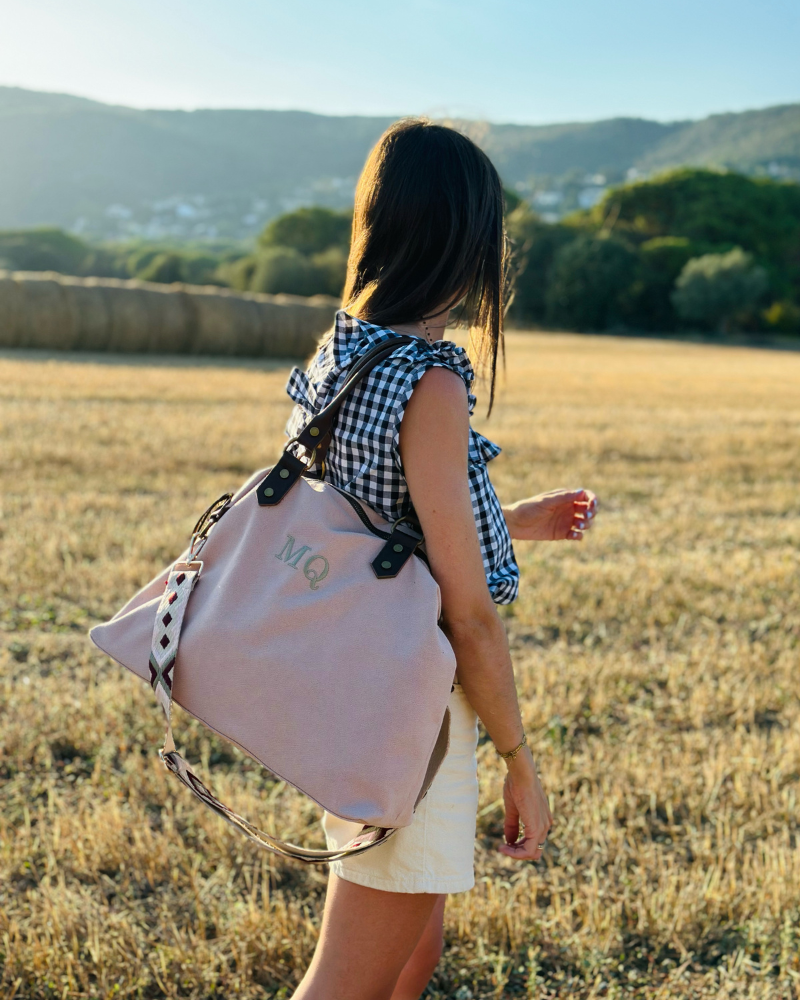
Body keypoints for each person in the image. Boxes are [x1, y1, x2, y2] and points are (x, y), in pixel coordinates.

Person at [287, 119, 598, 1000]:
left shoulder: (343, 350)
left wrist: (511, 520)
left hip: (356, 680)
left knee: (410, 955)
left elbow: (379, 521)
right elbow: (466, 611)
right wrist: (519, 760)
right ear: (465, 239)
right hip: (410, 711)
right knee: (346, 981)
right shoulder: (428, 377)